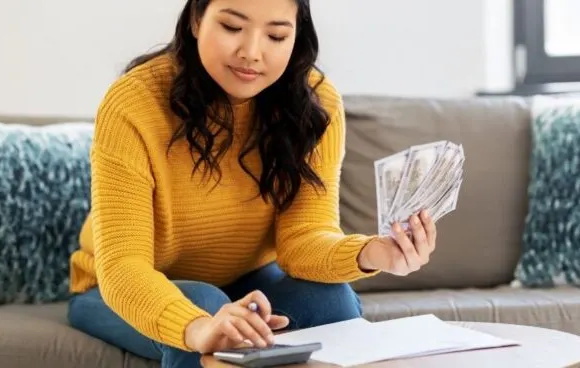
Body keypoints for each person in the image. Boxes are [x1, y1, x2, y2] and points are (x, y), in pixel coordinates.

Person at [66, 0, 437, 367]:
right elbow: (124, 267)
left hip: (250, 279)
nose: (252, 52)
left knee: (331, 301)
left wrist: (376, 252)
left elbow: (303, 241)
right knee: (207, 306)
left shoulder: (315, 104)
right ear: (196, 19)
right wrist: (197, 328)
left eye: (276, 35)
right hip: (118, 288)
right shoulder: (133, 102)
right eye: (231, 27)